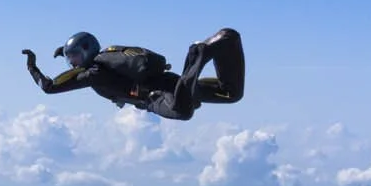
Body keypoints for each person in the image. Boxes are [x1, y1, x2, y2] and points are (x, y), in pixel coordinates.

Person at [24, 29, 244, 121]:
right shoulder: (108, 59)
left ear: (86, 53)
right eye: (69, 58)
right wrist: (63, 50)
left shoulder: (93, 74)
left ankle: (197, 56)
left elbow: (49, 87)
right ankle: (226, 39)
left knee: (183, 111)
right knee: (230, 93)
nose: (72, 63)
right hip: (173, 83)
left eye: (74, 57)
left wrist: (32, 66)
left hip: (157, 96)